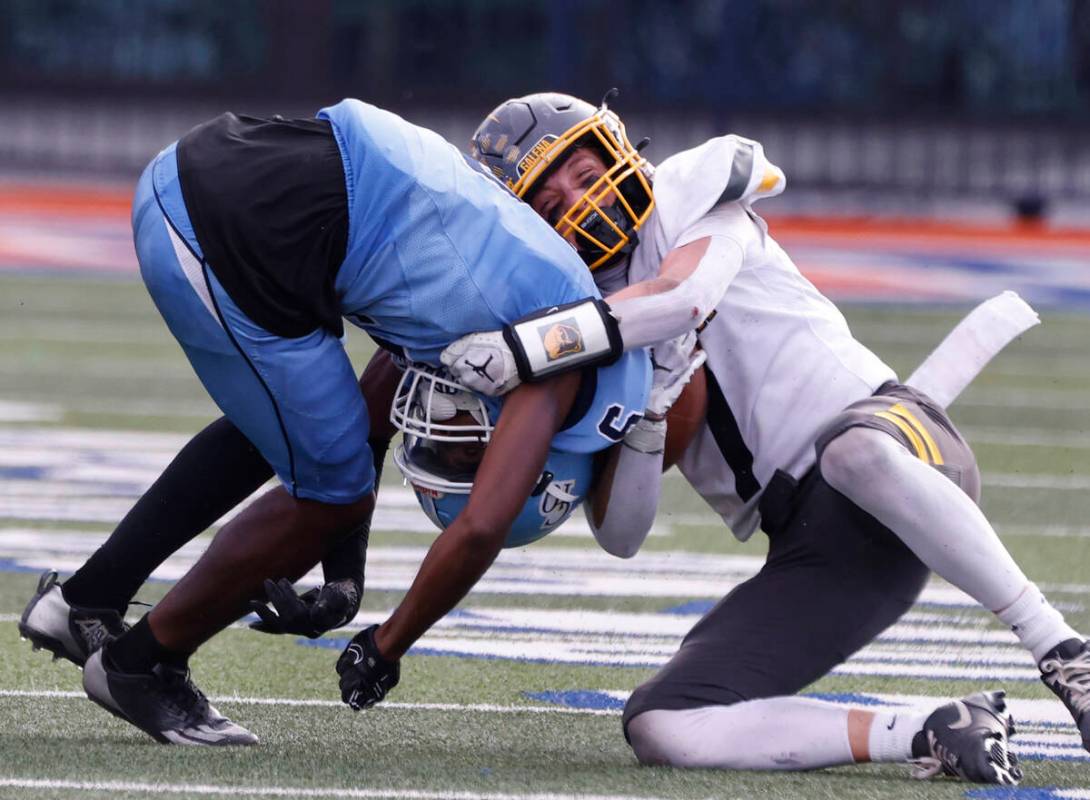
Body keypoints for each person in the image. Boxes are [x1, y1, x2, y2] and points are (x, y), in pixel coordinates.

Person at [440, 91, 1090, 783]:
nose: (577, 197)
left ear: (618, 148)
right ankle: (932, 731)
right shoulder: (579, 321)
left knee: (853, 451)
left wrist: (530, 346)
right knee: (663, 725)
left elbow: (681, 299)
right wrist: (650, 420)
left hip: (901, 438)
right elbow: (623, 536)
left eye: (579, 168)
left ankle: (1063, 650)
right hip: (821, 550)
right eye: (548, 198)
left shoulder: (688, 196)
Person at [18, 98, 653, 746]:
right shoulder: (561, 348)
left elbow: (368, 417)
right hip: (231, 228)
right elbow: (481, 525)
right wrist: (388, 643)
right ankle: (141, 664)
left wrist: (345, 578)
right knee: (331, 492)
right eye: (476, 459)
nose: (454, 448)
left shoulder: (515, 267)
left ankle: (85, 602)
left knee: (294, 430)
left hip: (212, 172)